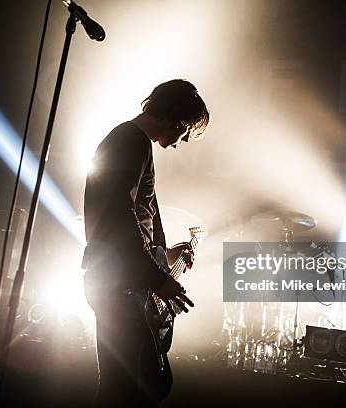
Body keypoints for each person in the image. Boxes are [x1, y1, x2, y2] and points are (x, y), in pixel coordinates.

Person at [81, 79, 210, 407]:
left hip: (121, 280)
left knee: (129, 387)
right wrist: (157, 280)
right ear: (175, 117)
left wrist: (163, 254)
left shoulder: (133, 142)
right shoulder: (130, 141)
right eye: (185, 132)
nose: (181, 142)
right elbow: (119, 222)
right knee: (124, 390)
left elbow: (130, 221)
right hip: (117, 284)